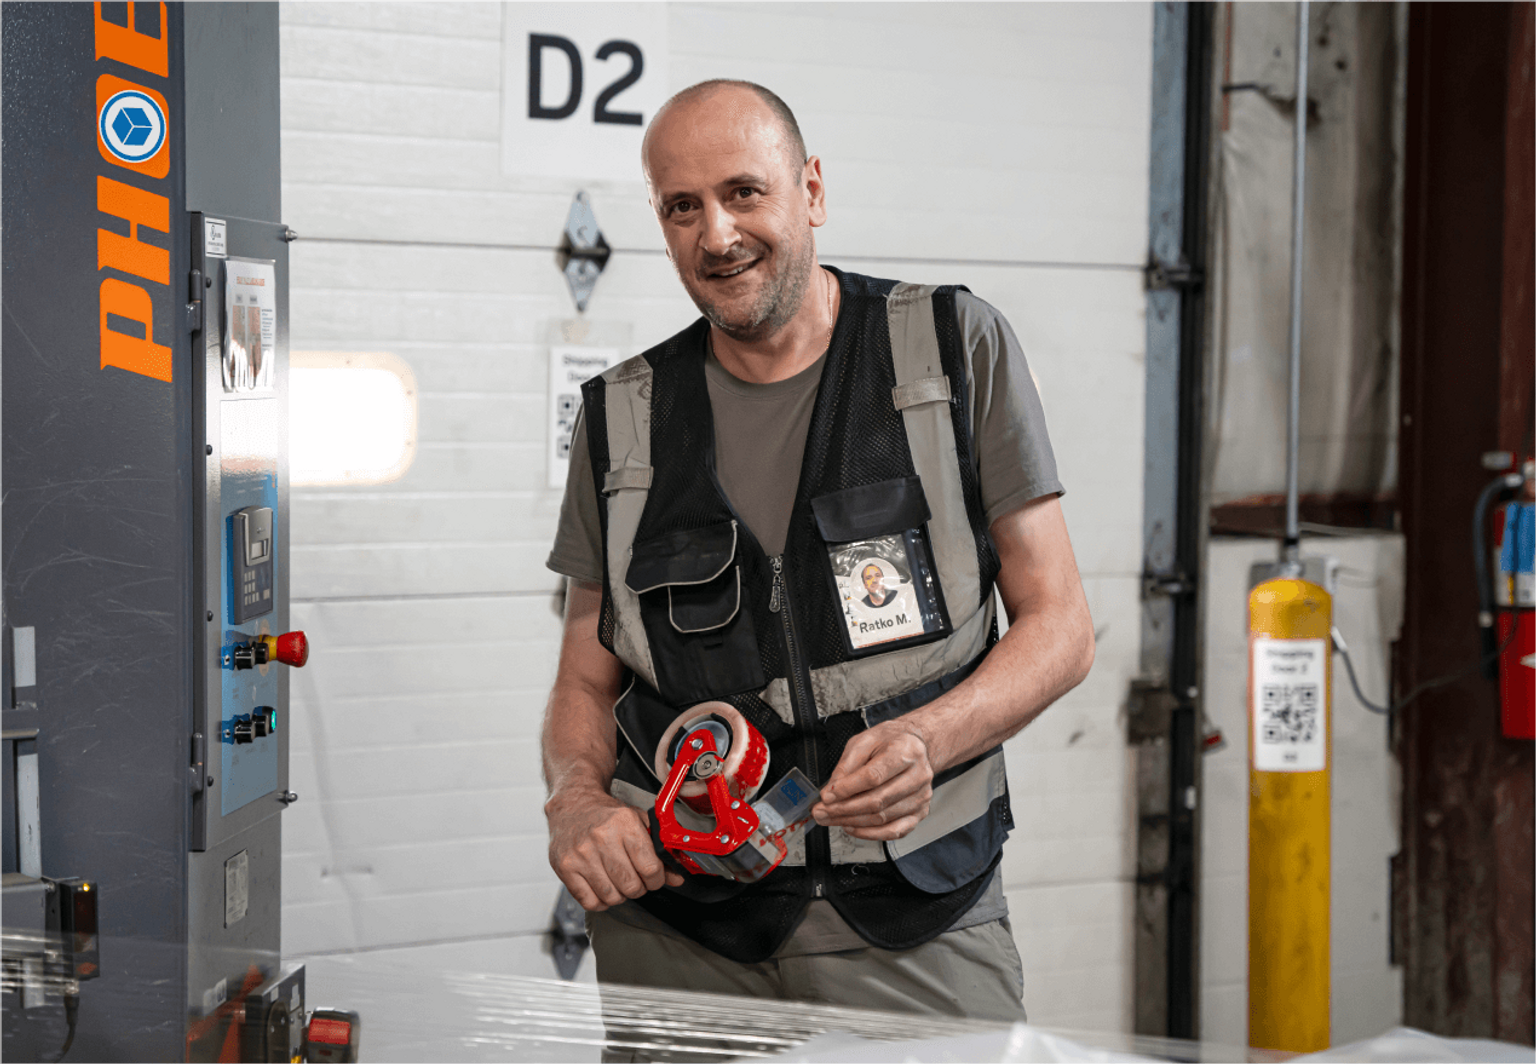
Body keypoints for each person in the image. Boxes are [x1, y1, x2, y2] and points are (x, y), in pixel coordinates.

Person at [541, 79, 1095, 1044]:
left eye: (744, 192)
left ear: (812, 190)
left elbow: (1061, 627)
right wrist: (576, 804)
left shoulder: (953, 350)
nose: (716, 235)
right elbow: (584, 685)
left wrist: (933, 736)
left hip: (912, 918)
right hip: (681, 933)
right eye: (682, 206)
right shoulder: (617, 420)